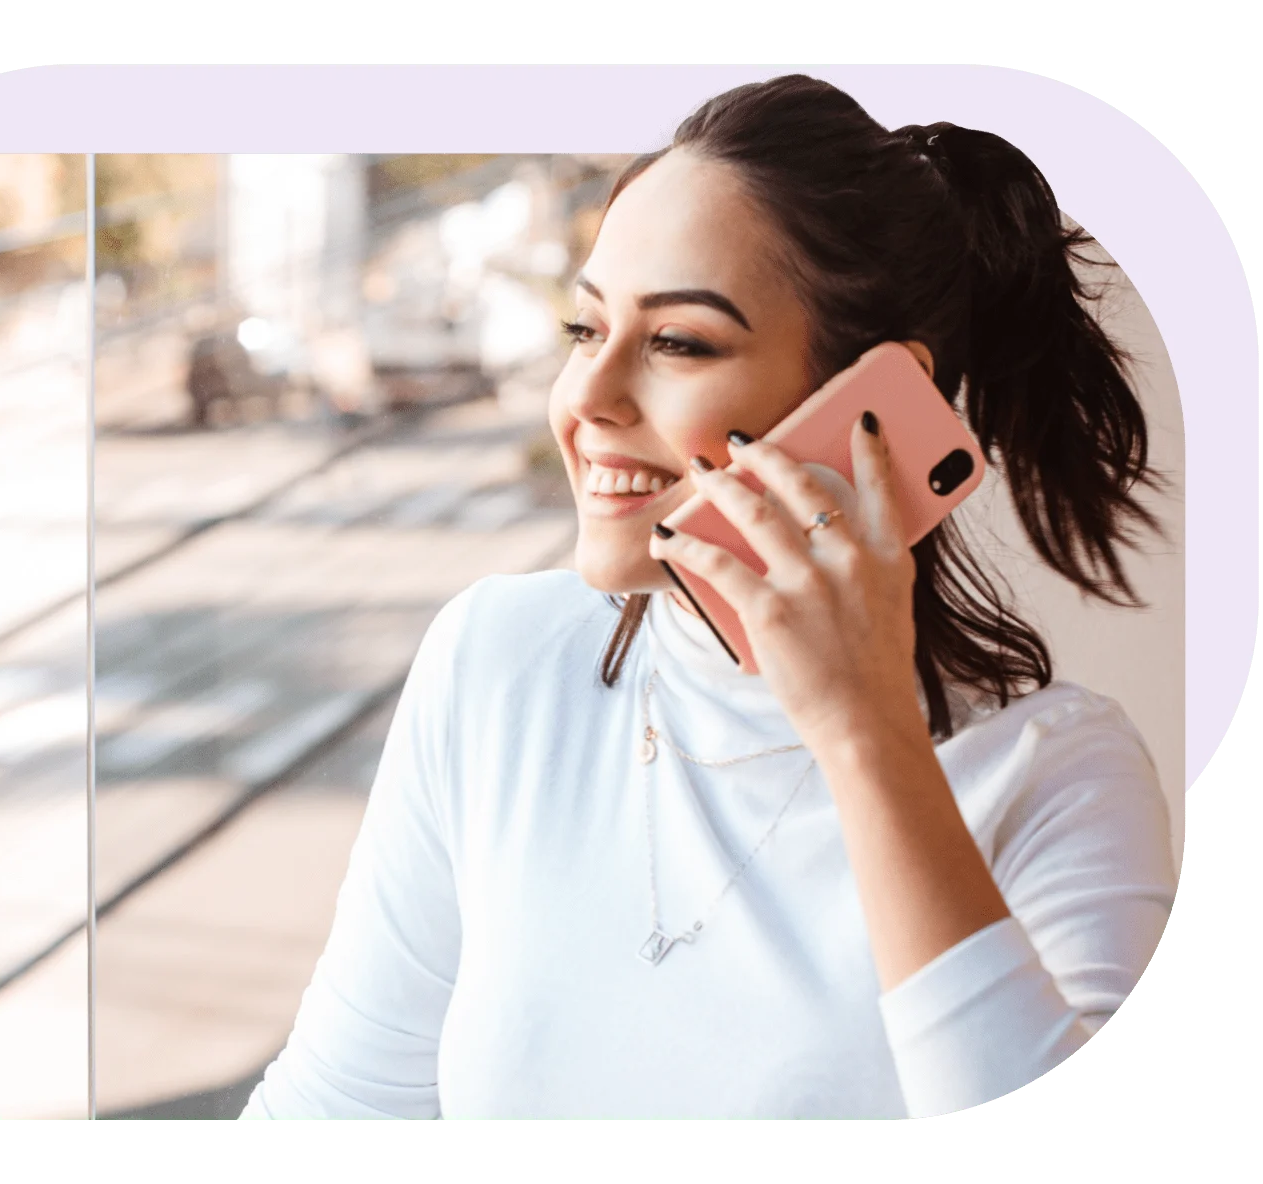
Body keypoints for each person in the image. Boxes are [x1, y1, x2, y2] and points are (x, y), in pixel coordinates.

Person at [240, 74, 1177, 1119]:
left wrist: (866, 737)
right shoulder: (498, 660)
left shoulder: (1056, 777)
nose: (587, 400)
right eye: (585, 330)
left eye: (679, 342)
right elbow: (334, 1110)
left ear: (872, 405)